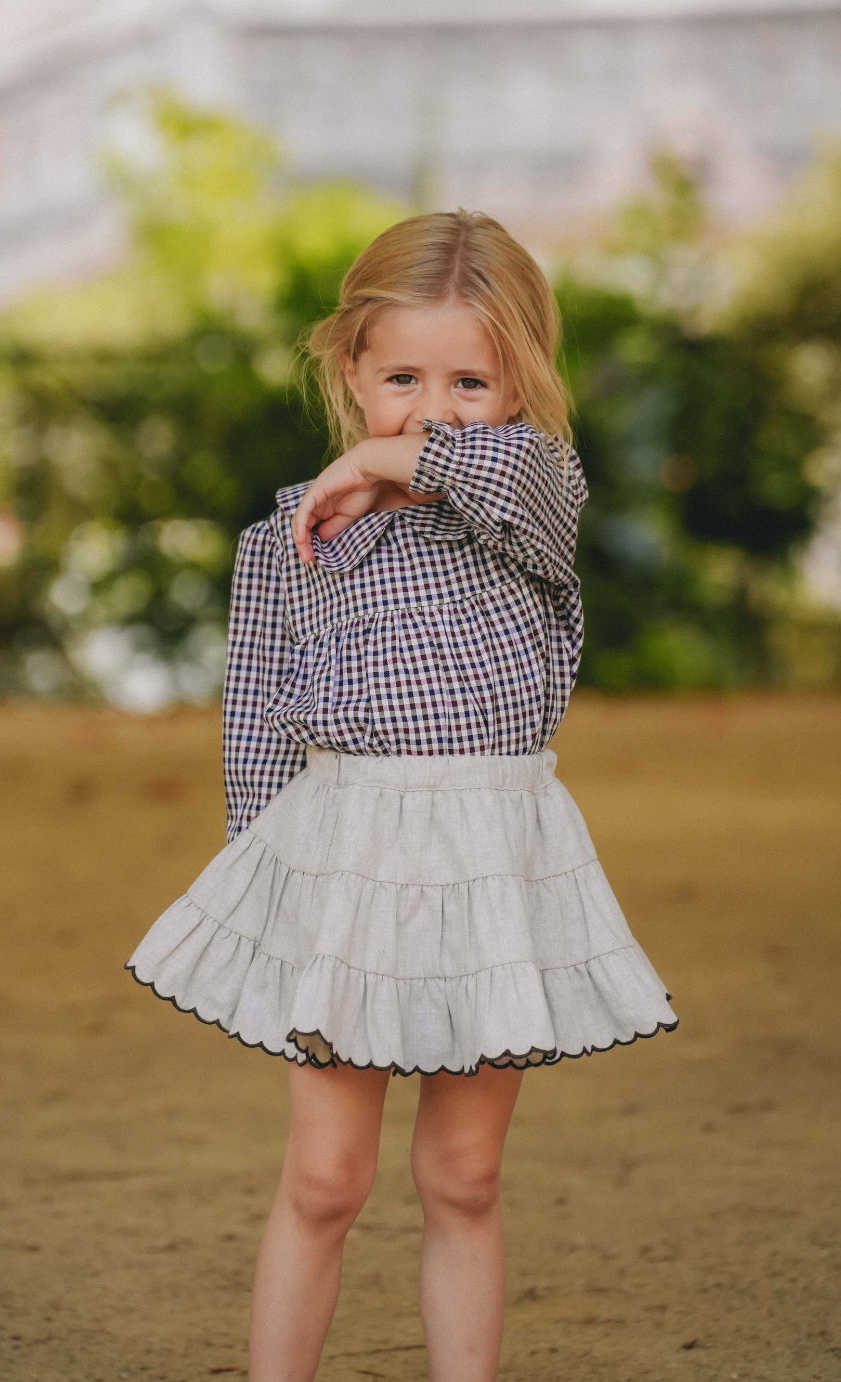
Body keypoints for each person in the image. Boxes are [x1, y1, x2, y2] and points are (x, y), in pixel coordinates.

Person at [126, 210, 677, 1382]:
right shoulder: (288, 539)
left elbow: (499, 461)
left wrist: (381, 457)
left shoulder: (531, 496)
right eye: (402, 380)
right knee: (326, 1177)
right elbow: (258, 719)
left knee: (462, 1177)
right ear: (349, 371)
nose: (435, 407)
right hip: (344, 868)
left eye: (472, 378)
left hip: (490, 864)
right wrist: (258, 889)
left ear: (524, 379)